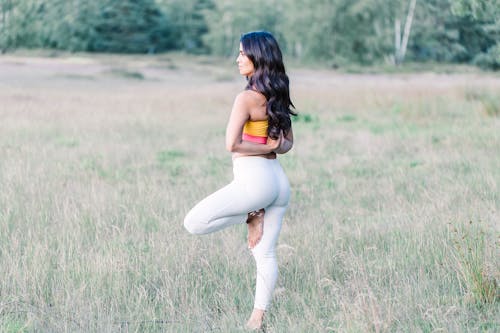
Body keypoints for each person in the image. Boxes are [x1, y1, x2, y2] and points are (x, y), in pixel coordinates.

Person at [183, 30, 295, 330]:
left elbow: (231, 144)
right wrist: (272, 147)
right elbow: (286, 145)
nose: (237, 59)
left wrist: (263, 149)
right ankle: (256, 320)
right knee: (265, 253)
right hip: (279, 183)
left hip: (255, 182)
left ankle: (251, 213)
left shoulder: (246, 97)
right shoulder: (278, 93)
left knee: (193, 223)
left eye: (242, 54)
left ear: (257, 58)